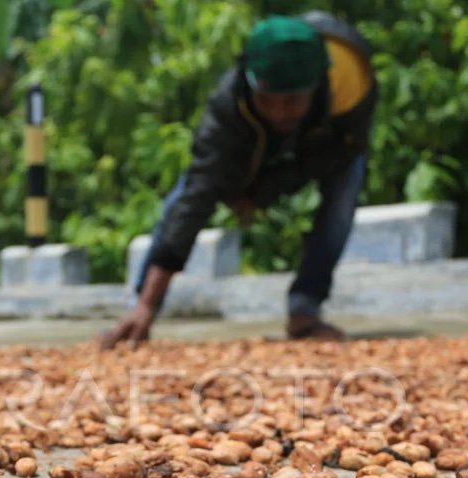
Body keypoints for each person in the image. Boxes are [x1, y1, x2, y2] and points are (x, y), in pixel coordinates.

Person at [103, 12, 375, 346]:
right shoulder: (228, 104)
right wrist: (148, 302)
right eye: (267, 99)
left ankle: (305, 310)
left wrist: (266, 191)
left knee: (344, 193)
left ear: (316, 84)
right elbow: (198, 197)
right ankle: (140, 308)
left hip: (331, 144)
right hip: (254, 148)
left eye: (291, 101)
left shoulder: (350, 81)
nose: (278, 112)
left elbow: (337, 154)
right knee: (187, 193)